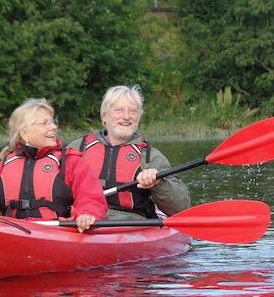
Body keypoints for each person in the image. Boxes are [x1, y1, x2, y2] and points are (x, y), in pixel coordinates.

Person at [0, 98, 107, 232]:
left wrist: (87, 215)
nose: (53, 127)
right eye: (44, 123)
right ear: (24, 134)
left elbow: (91, 199)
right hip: (14, 234)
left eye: (53, 121)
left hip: (59, 234)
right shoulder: (3, 167)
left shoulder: (71, 163)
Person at [68, 85, 191, 220]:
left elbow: (182, 208)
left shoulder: (150, 157)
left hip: (130, 223)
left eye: (132, 111)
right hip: (81, 219)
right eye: (119, 110)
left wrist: (158, 184)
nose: (126, 116)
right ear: (104, 116)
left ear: (138, 117)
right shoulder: (78, 148)